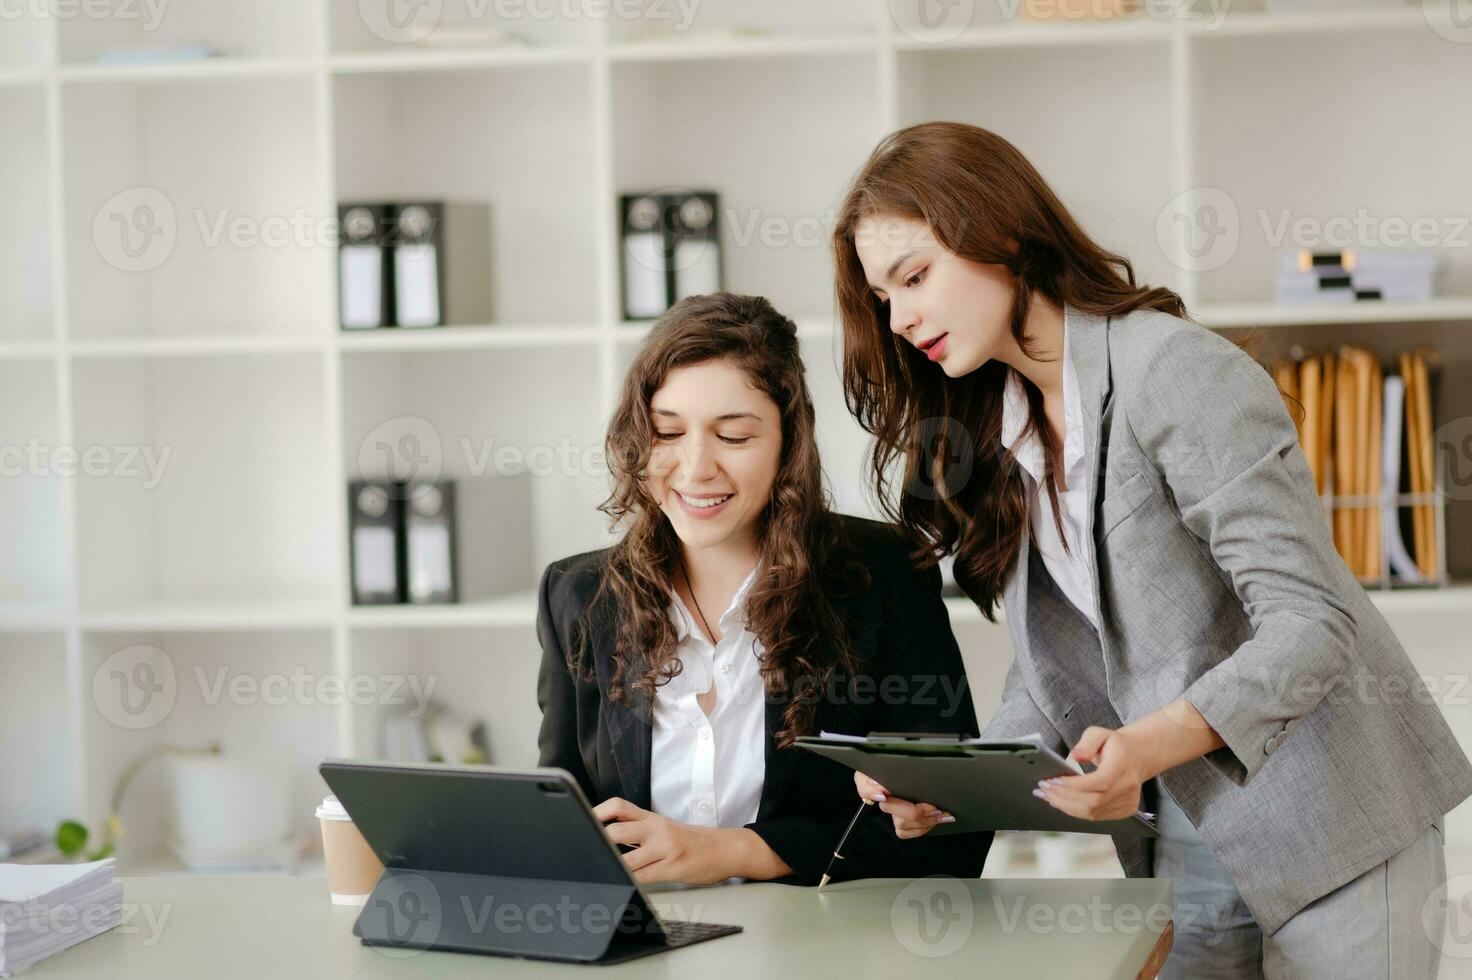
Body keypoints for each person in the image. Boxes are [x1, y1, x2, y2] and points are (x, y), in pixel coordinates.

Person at [831, 121, 1471, 977]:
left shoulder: (1171, 370)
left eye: (915, 276)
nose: (902, 318)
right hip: (1187, 833)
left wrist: (1147, 745)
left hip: (1333, 821)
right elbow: (1052, 663)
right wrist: (952, 791)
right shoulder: (1004, 430)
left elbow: (1310, 621)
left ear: (1004, 234)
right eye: (883, 297)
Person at [536, 291, 990, 886]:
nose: (696, 468)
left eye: (734, 437)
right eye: (667, 432)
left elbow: (955, 832)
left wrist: (733, 852)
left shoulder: (883, 575)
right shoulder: (579, 593)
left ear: (787, 446)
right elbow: (559, 824)